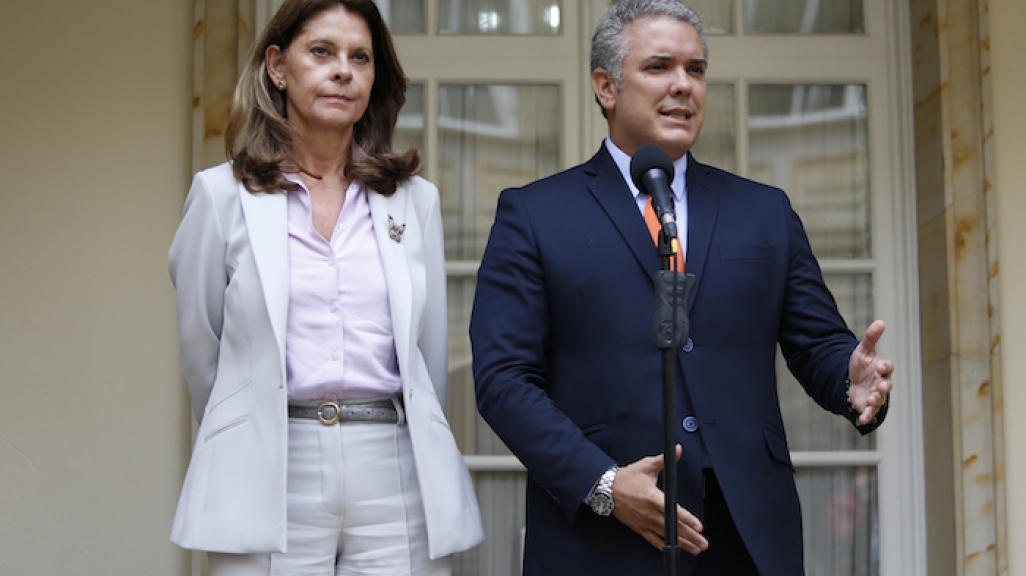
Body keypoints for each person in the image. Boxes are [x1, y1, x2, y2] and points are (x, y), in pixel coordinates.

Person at [469, 1, 893, 575]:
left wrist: (850, 377)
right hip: (602, 532)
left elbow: (816, 344)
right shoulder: (535, 213)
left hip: (744, 532)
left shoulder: (764, 212)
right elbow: (503, 381)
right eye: (659, 67)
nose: (683, 86)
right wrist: (604, 484)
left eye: (695, 70)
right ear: (605, 87)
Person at [168, 1, 483, 574]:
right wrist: (250, 422)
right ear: (277, 66)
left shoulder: (416, 201)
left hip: (394, 468)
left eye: (360, 57)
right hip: (269, 468)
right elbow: (203, 357)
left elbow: (428, 361)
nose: (343, 70)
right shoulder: (219, 197)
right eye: (322, 52)